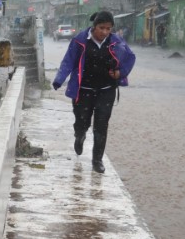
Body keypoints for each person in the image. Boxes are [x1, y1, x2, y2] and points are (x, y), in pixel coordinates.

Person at [52, 11, 136, 174]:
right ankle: (80, 135)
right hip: (83, 91)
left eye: (108, 29)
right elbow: (68, 60)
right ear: (94, 26)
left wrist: (121, 73)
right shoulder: (80, 40)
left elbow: (130, 57)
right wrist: (59, 79)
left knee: (101, 125)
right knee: (81, 122)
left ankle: (97, 160)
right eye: (101, 28)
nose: (104, 32)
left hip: (106, 90)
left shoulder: (116, 41)